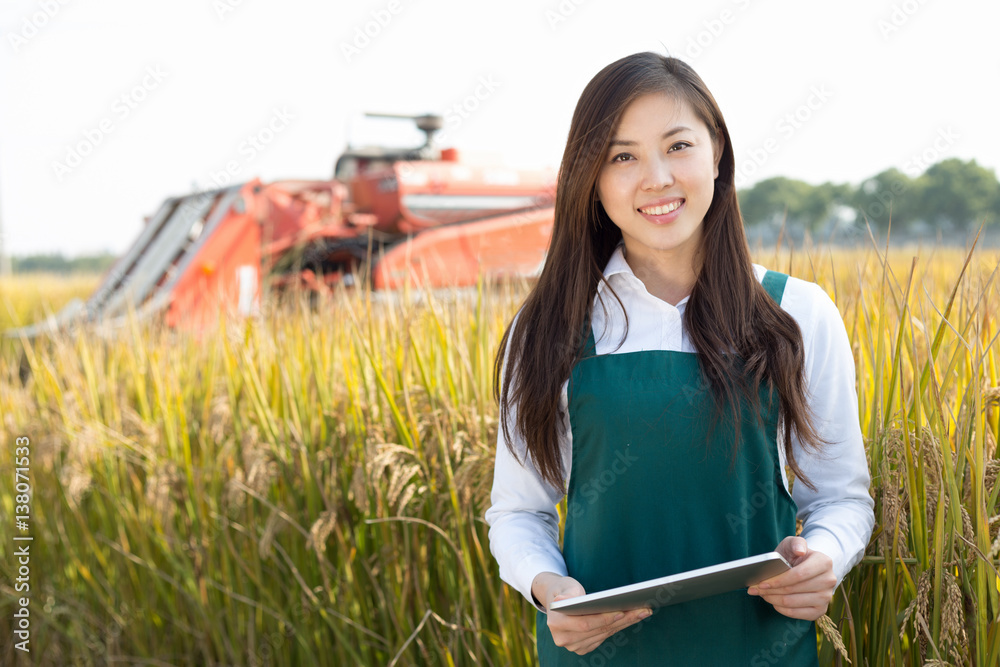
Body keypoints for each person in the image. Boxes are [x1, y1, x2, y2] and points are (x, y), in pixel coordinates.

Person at [484, 51, 874, 665]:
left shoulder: (796, 314)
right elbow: (518, 511)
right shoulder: (546, 330)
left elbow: (840, 498)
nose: (657, 178)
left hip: (755, 646)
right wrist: (547, 588)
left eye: (678, 146)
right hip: (599, 655)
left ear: (716, 152)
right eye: (623, 156)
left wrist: (823, 555)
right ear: (591, 178)